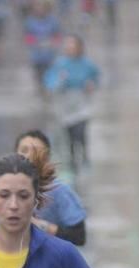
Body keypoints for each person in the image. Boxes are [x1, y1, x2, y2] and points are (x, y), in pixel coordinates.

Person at [15, 129, 87, 245]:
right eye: (24, 150)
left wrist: (39, 226)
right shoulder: (4, 189)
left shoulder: (59, 191)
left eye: (36, 151)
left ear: (47, 157)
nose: (29, 155)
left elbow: (79, 236)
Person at [43, 34, 100, 174]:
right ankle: (73, 162)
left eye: (72, 45)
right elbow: (50, 81)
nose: (69, 48)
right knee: (69, 135)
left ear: (80, 47)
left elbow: (96, 77)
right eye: (67, 45)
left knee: (80, 131)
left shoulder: (88, 64)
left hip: (81, 103)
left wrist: (92, 85)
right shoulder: (60, 64)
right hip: (66, 104)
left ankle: (85, 157)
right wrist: (58, 83)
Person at [23, 0, 62, 95]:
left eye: (41, 7)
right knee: (38, 76)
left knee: (49, 76)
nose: (39, 9)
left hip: (49, 55)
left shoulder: (53, 21)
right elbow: (27, 37)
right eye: (37, 7)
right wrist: (35, 42)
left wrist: (52, 43)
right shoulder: (30, 21)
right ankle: (40, 91)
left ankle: (48, 92)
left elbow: (58, 36)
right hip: (36, 55)